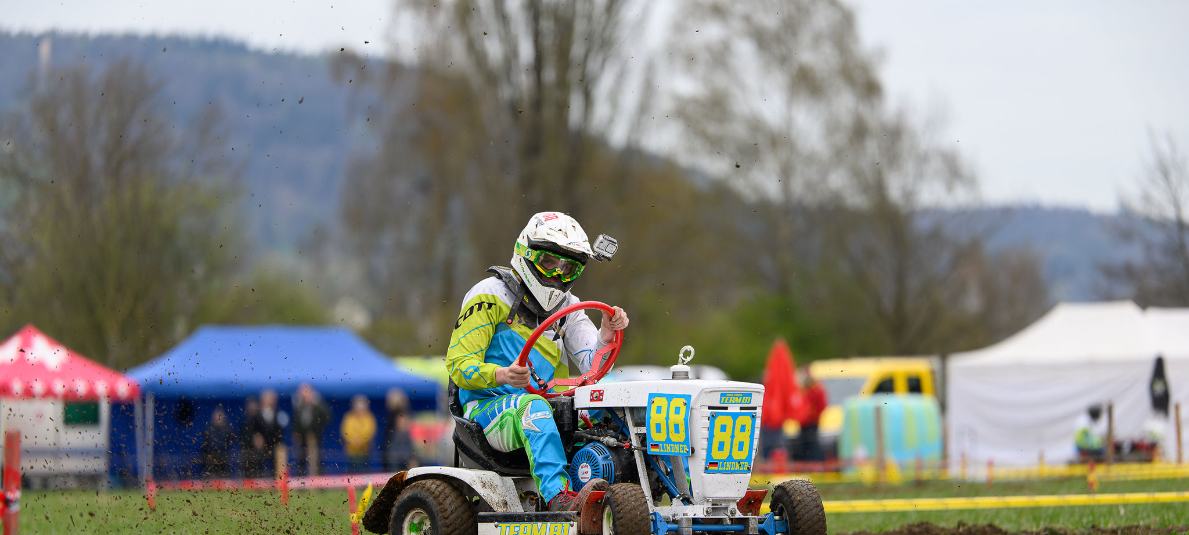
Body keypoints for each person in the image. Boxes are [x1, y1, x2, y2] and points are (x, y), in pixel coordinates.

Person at [447, 212, 629, 512]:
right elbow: (458, 365)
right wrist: (503, 375)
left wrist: (607, 334)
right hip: (487, 411)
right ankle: (559, 497)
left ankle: (639, 487)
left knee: (615, 398)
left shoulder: (569, 307)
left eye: (568, 268)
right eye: (549, 263)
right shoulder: (488, 295)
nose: (557, 275)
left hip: (548, 404)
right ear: (527, 254)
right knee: (534, 408)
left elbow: (591, 367)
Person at [291, 383, 331, 476]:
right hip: (302, 439)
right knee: (301, 461)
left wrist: (317, 403)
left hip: (315, 438)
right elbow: (295, 422)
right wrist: (296, 433)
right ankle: (300, 484)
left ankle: (319, 484)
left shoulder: (317, 405)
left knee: (317, 461)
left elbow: (327, 418)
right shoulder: (299, 406)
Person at [793, 367, 828, 463]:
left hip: (812, 422)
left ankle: (815, 464)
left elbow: (821, 405)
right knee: (804, 446)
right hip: (803, 422)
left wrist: (813, 415)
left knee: (812, 445)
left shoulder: (815, 389)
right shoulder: (804, 389)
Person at [248, 389, 285, 477]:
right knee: (257, 461)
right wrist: (257, 438)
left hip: (274, 445)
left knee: (279, 457)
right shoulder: (256, 415)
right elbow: (253, 430)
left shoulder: (279, 414)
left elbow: (281, 431)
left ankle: (277, 480)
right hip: (260, 446)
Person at [383, 388, 418, 472]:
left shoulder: (409, 436)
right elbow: (392, 457)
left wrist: (412, 460)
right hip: (395, 464)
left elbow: (413, 453)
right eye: (400, 420)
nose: (403, 422)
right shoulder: (391, 433)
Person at [341, 394, 378, 473]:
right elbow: (346, 431)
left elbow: (370, 431)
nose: (359, 411)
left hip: (365, 450)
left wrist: (361, 440)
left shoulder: (369, 418)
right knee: (351, 470)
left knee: (364, 470)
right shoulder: (349, 417)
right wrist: (353, 440)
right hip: (351, 450)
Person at [200, 406, 235, 478]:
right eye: (216, 416)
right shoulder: (209, 430)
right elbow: (207, 444)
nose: (218, 418)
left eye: (220, 416)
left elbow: (228, 443)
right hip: (211, 458)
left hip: (223, 458)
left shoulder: (227, 430)